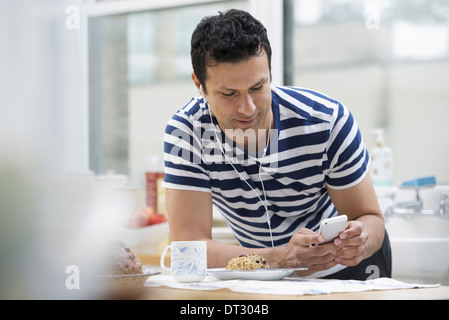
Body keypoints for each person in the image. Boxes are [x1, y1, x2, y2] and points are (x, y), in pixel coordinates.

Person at [162, 9, 391, 280]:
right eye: (228, 93)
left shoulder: (327, 121)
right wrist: (280, 258)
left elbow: (371, 219)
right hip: (265, 274)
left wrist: (361, 239)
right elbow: (188, 253)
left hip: (349, 267)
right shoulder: (187, 134)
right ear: (199, 85)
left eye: (258, 87)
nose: (247, 108)